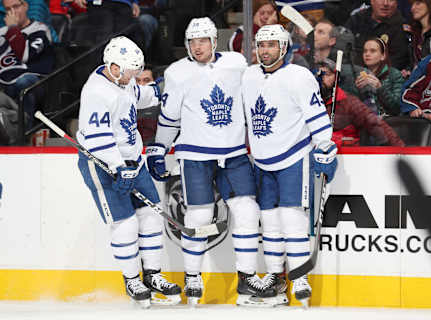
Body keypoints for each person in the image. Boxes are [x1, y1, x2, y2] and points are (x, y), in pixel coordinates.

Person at [150, 17, 275, 306]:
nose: (197, 46)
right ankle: (192, 277)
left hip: (233, 153)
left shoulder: (236, 64)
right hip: (195, 155)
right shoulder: (177, 72)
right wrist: (159, 147)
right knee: (200, 217)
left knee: (247, 211)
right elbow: (169, 118)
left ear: (214, 41)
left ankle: (246, 279)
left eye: (203, 40)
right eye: (192, 41)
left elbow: (262, 84)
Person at [76, 36, 181, 307]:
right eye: (132, 71)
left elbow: (139, 95)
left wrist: (159, 91)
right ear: (114, 66)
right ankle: (132, 279)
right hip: (103, 164)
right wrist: (118, 167)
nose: (135, 76)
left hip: (133, 160)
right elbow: (99, 139)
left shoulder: (123, 79)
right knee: (126, 223)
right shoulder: (96, 92)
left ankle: (153, 274)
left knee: (152, 215)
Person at [241, 24, 337, 307]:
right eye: (261, 45)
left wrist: (324, 145)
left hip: (293, 157)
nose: (265, 50)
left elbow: (316, 116)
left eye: (272, 45)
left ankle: (300, 278)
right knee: (269, 222)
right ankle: (275, 277)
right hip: (261, 160)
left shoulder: (299, 76)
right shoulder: (248, 76)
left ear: (283, 48)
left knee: (292, 219)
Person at [0, 0, 54, 128]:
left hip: (32, 79)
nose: (12, 12)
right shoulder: (0, 33)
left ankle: (24, 129)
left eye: (16, 6)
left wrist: (12, 29)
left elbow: (25, 56)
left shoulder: (40, 29)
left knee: (23, 82)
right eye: (8, 9)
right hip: (3, 81)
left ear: (26, 6)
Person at [317, 59, 405, 147]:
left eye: (327, 74)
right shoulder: (309, 101)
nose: (322, 78)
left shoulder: (349, 102)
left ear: (337, 78)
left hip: (347, 155)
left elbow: (375, 124)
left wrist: (401, 151)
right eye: (319, 75)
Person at [345, 0, 411, 71]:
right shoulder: (357, 19)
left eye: (391, 0)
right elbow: (343, 47)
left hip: (383, 77)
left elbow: (398, 61)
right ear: (372, 1)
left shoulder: (402, 28)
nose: (385, 3)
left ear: (397, 3)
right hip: (351, 72)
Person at [356, 37, 404, 116]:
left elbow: (397, 107)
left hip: (388, 122)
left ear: (383, 56)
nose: (367, 54)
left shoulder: (394, 74)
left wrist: (380, 88)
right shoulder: (358, 74)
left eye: (372, 51)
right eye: (365, 51)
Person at [408, 0, 431, 70]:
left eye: (418, 3)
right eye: (412, 5)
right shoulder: (415, 34)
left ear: (429, 4)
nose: (412, 8)